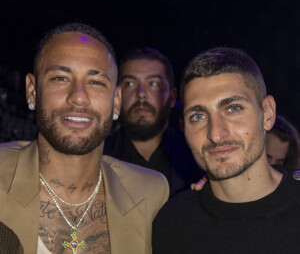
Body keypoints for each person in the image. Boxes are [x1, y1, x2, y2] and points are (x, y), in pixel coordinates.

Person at [0, 23, 169, 254]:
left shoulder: (151, 192)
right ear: (32, 91)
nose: (78, 97)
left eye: (96, 82)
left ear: (116, 101)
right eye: (60, 78)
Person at [152, 47, 300, 253]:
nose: (216, 134)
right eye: (198, 117)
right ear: (184, 129)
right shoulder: (172, 224)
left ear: (267, 114)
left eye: (233, 108)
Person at [104, 48, 203, 196]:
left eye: (154, 84)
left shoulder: (199, 157)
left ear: (172, 97)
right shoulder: (96, 159)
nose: (141, 94)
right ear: (117, 96)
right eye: (130, 84)